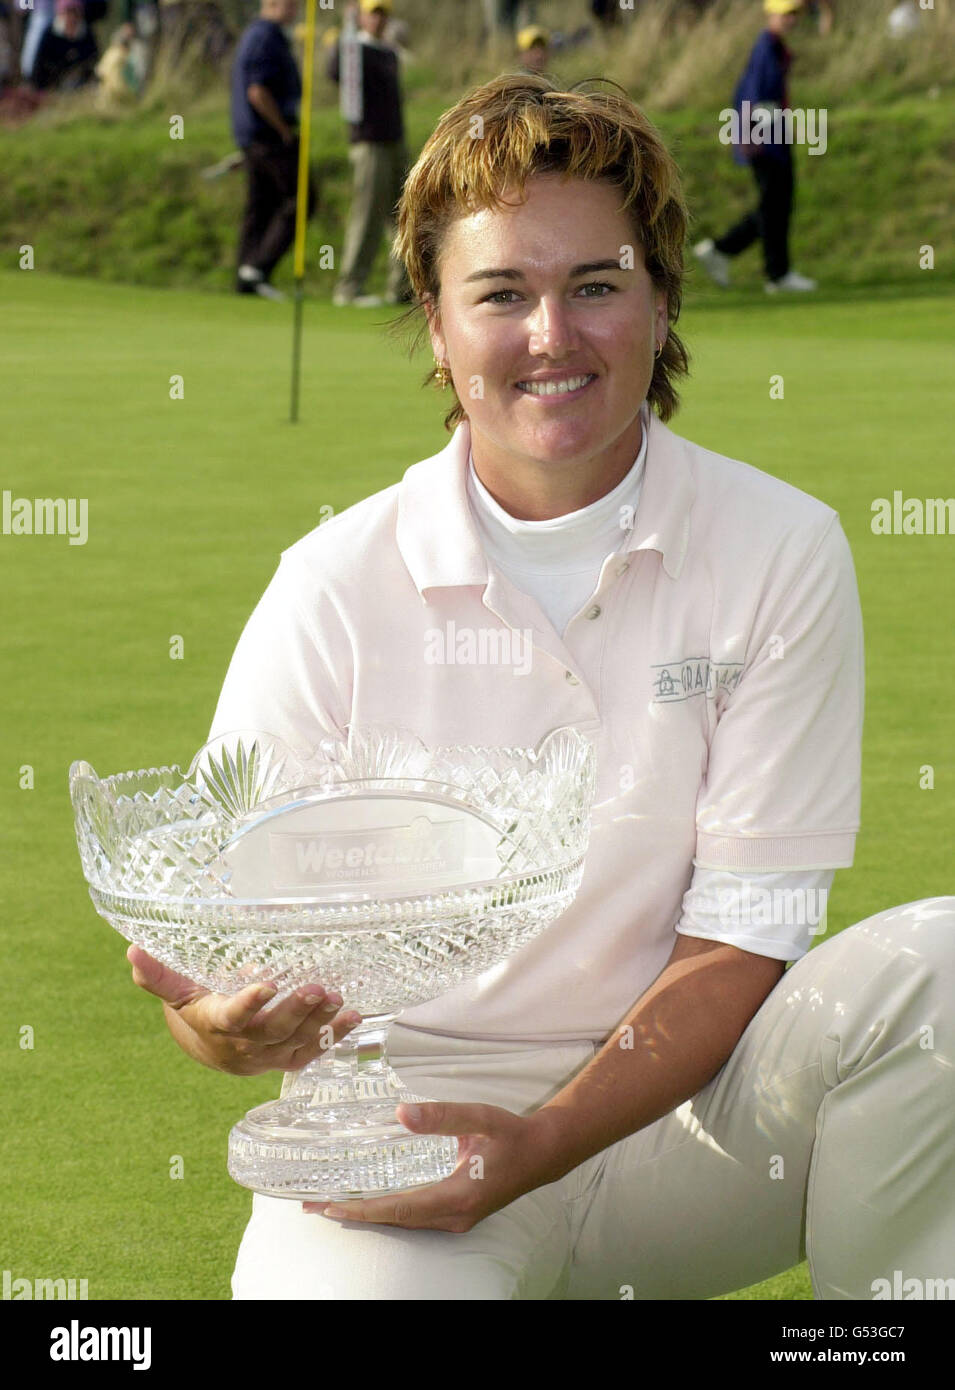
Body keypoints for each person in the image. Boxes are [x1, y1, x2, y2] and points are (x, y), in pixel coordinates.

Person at [128, 71, 955, 1301]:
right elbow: (219, 954)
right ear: (436, 316)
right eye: (502, 293)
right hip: (404, 1140)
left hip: (690, 1128)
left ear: (663, 298)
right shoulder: (330, 582)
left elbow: (744, 938)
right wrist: (218, 1026)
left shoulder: (782, 546)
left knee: (941, 967)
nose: (551, 336)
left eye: (597, 287)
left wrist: (542, 1147)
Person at [694, 0, 817, 293]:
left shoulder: (774, 47)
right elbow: (751, 95)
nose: (791, 20)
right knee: (774, 204)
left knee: (774, 205)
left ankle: (727, 253)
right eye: (786, 14)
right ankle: (774, 273)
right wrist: (753, 138)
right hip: (765, 140)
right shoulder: (766, 47)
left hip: (773, 135)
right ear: (771, 14)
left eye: (794, 14)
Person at [326, 0, 411, 307]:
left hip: (394, 142)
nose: (378, 19)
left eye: (382, 14)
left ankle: (401, 287)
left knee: (402, 216)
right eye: (372, 13)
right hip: (369, 143)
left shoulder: (388, 52)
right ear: (362, 16)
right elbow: (335, 71)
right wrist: (346, 27)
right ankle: (349, 287)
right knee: (366, 216)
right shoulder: (354, 48)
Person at [230, 0, 316, 301]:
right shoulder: (264, 36)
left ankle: (247, 276)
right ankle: (256, 267)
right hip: (269, 137)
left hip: (259, 138)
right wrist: (283, 129)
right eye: (289, 3)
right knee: (303, 197)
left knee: (261, 206)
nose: (294, 9)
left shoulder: (267, 34)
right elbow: (257, 92)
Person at [31, 0, 98, 91]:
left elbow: (93, 60)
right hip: (53, 85)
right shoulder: (50, 33)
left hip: (81, 84)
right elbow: (40, 66)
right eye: (68, 12)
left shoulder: (86, 33)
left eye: (74, 13)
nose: (71, 18)